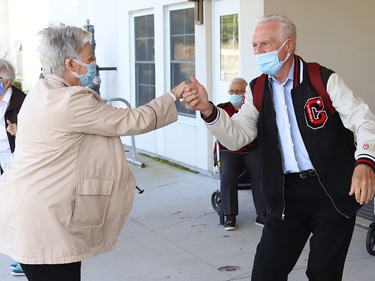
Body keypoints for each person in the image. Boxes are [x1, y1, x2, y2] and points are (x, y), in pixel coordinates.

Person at [182, 15, 375, 281]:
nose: (258, 52)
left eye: (265, 44)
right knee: (266, 273)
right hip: (286, 196)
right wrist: (207, 109)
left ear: (288, 45)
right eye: (254, 45)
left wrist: (364, 162)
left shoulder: (322, 79)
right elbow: (237, 136)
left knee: (323, 274)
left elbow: (364, 120)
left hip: (331, 192)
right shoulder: (258, 89)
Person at [0, 23, 190, 281]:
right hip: (46, 217)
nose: (94, 63)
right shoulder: (71, 101)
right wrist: (173, 95)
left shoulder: (41, 92)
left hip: (27, 209)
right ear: (70, 64)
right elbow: (132, 120)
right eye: (89, 59)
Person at [216, 77, 266, 230]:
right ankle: (229, 216)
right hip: (228, 150)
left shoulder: (253, 109)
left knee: (260, 174)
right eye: (232, 91)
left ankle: (263, 215)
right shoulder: (222, 109)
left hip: (251, 149)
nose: (235, 94)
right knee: (228, 174)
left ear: (246, 93)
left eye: (238, 91)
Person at [0, 58, 26, 276]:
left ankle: (23, 257)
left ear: (6, 81)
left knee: (20, 209)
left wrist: (21, 130)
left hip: (18, 163)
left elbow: (41, 132)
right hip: (2, 165)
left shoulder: (23, 101)